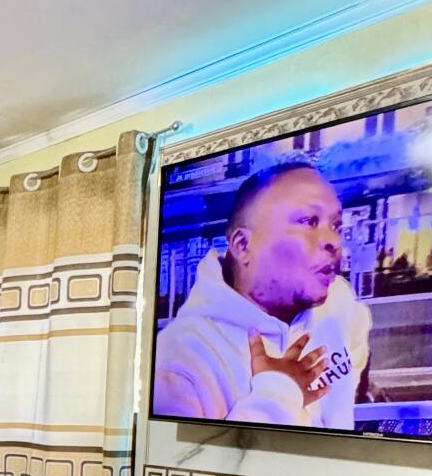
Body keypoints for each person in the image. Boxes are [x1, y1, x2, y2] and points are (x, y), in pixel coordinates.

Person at [152, 157, 370, 428]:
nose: (333, 241)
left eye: (336, 225)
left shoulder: (339, 302)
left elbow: (357, 357)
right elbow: (187, 465)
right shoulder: (180, 362)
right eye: (309, 221)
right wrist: (277, 394)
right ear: (243, 245)